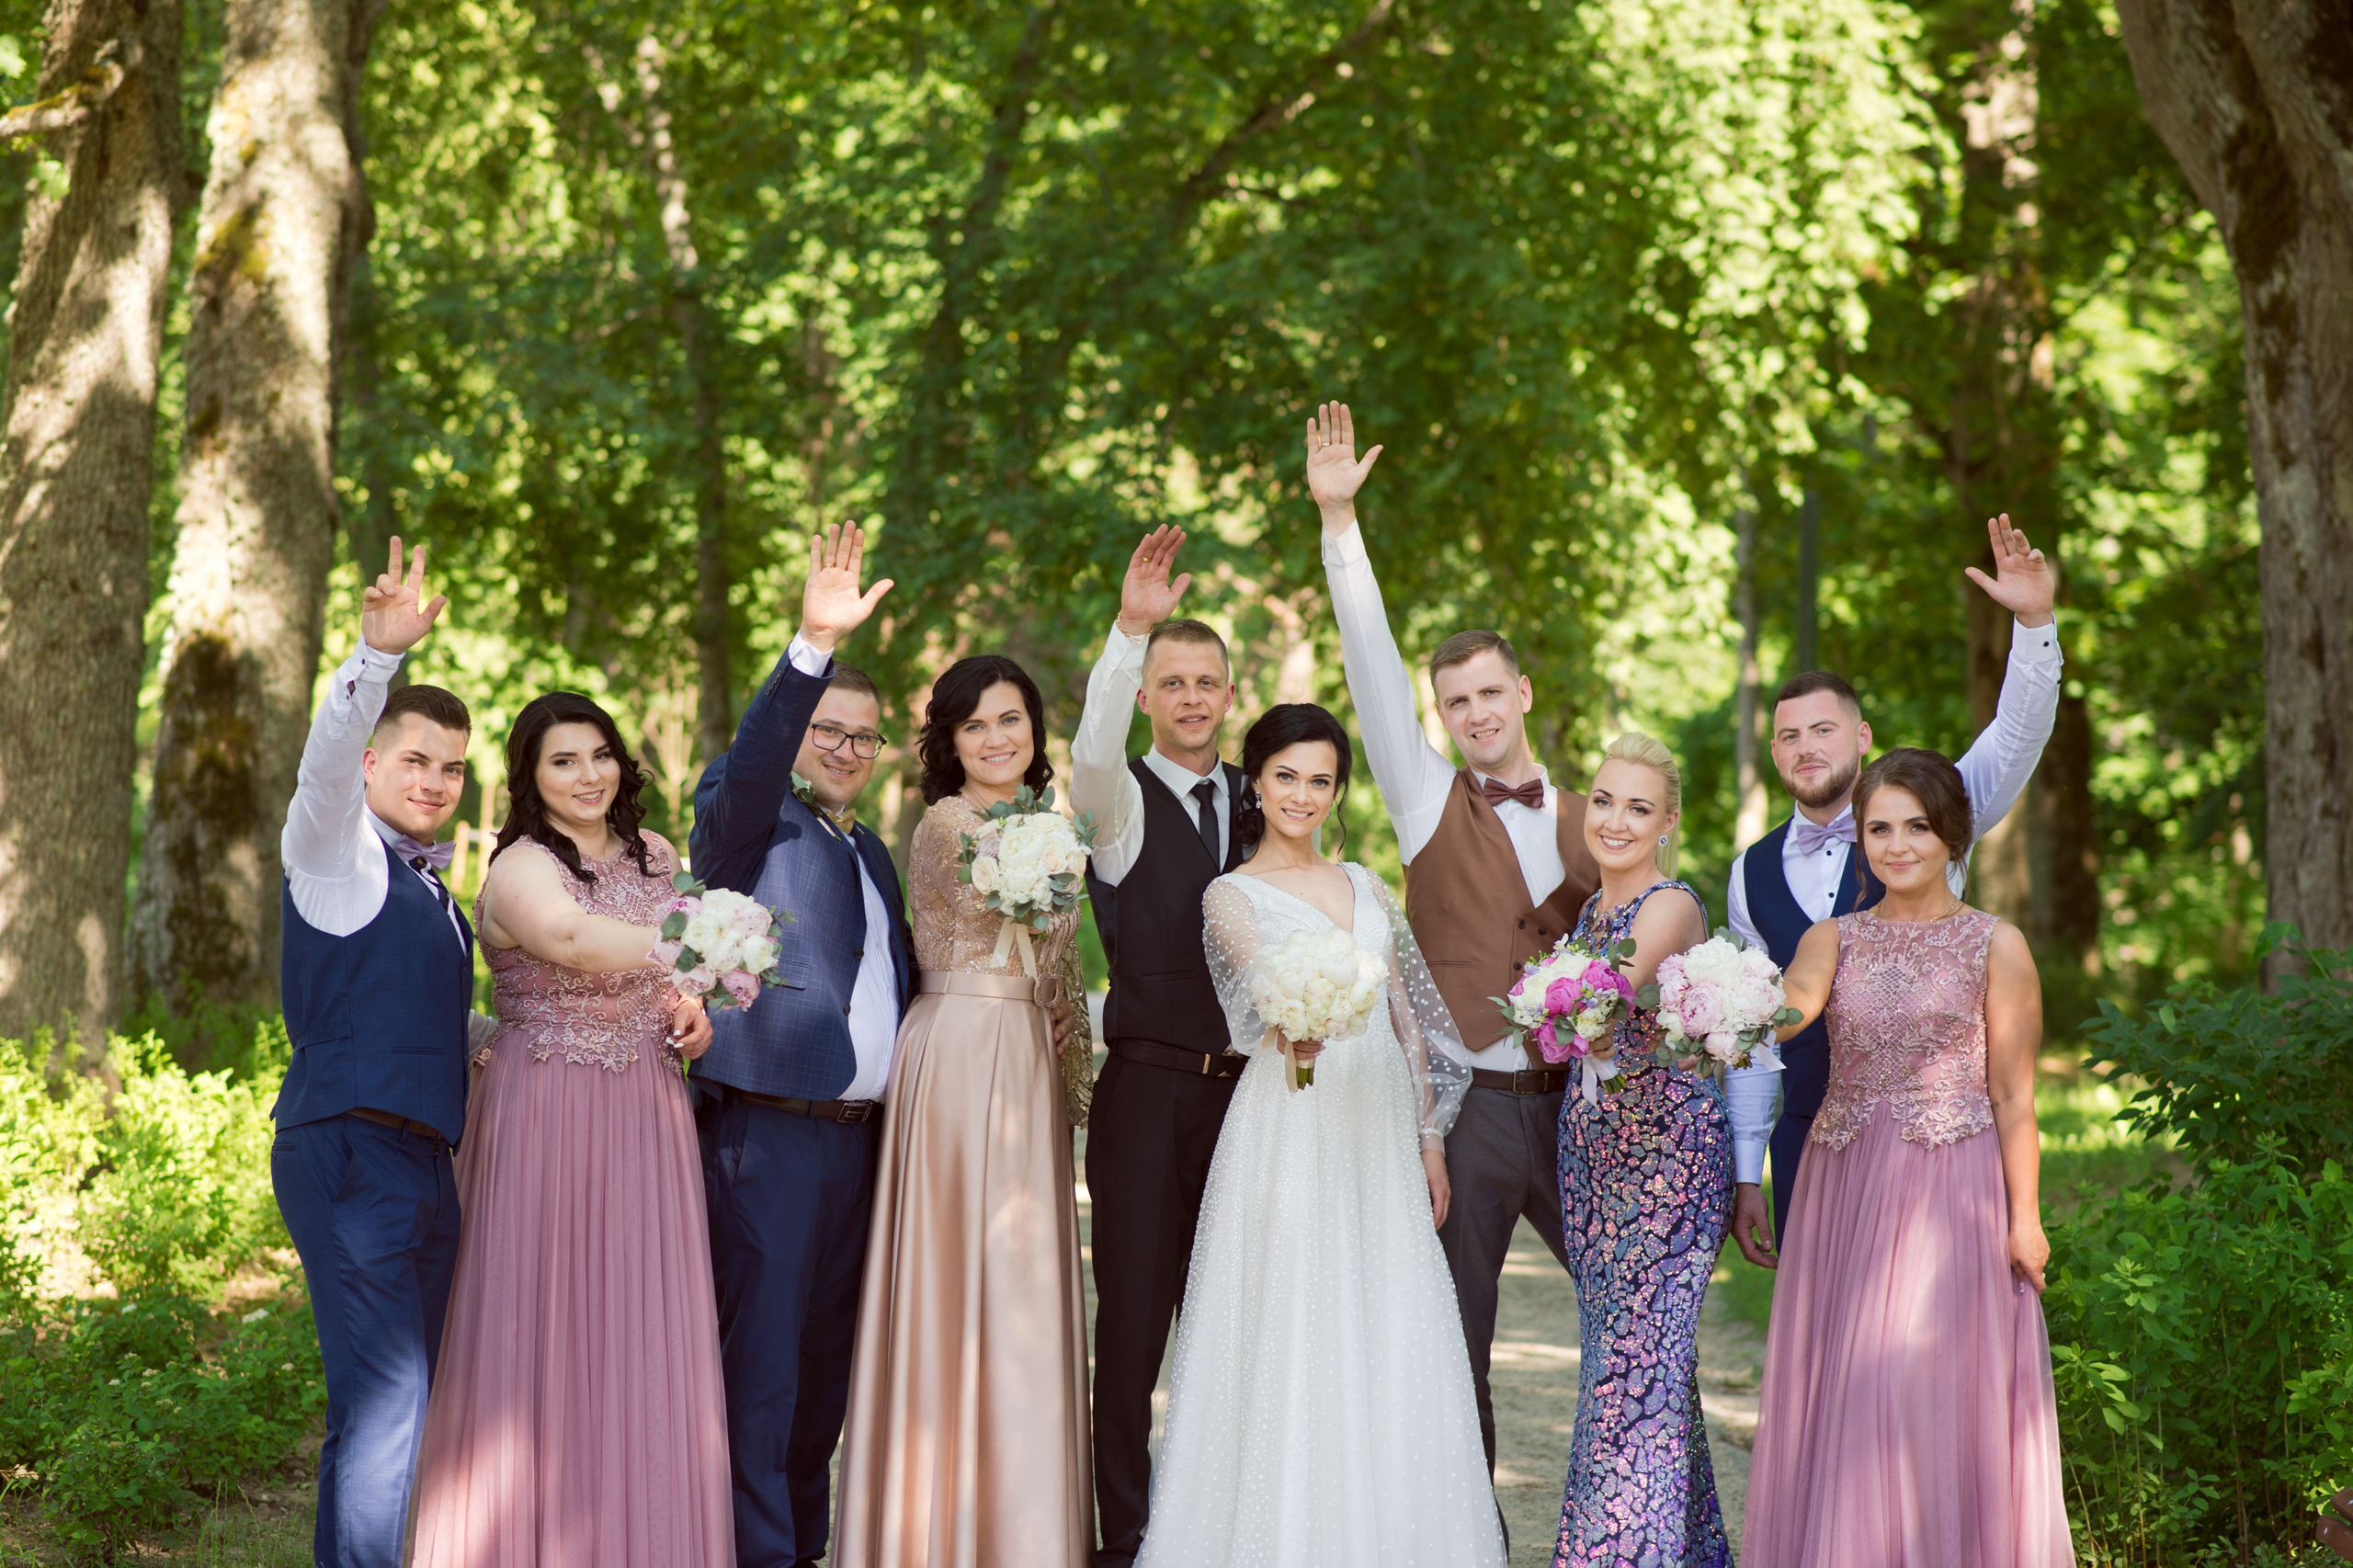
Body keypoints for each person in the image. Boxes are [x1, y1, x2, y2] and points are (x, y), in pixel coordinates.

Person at [1307, 402, 1602, 1490]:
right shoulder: (1428, 795)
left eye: (1490, 693)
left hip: (1575, 1110)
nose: (1475, 713)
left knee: (1629, 1324)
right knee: (1454, 1344)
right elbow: (1371, 664)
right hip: (1467, 1108)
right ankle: (1462, 1532)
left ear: (1523, 693)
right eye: (1455, 701)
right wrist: (1342, 526)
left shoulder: (1593, 815)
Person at [1140, 703, 1503, 1568]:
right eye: (1286, 777)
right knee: (1294, 1315)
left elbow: (1411, 1022)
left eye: (1320, 780)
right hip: (1293, 1118)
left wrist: (1428, 1138)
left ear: (1338, 791)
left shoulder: (1369, 885)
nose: (1303, 795)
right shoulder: (1229, 894)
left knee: (1391, 1312)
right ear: (1255, 784)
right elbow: (1262, 996)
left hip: (1379, 1126)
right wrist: (1289, 1025)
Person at [407, 690, 723, 1566]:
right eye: (563, 761)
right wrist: (701, 937)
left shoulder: (658, 856)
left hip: (648, 1112)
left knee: (640, 1326)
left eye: (600, 754)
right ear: (530, 777)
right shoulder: (516, 863)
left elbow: (666, 981)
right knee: (539, 1324)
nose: (588, 775)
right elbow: (575, 940)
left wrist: (695, 1008)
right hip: (546, 1110)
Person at [1741, 748, 2072, 1568]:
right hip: (1844, 1180)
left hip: (1948, 1184)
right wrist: (1717, 1010)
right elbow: (1790, 1009)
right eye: (1879, 828)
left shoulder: (1997, 944)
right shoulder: (1832, 938)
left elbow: (2014, 1097)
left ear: (1953, 835)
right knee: (1851, 1385)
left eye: (1917, 827)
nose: (1896, 846)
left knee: (1925, 1387)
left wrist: (2023, 1221)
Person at [1722, 516, 2060, 1260]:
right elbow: (1756, 1037)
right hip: (1811, 1138)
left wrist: (2034, 622)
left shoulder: (1933, 806)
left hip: (1938, 1150)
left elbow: (2018, 732)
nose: (1806, 747)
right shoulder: (1748, 873)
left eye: (1822, 729)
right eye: (1788, 736)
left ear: (1862, 735)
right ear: (1775, 752)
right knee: (1828, 1339)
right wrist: (1748, 1171)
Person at [835, 654, 1094, 1568]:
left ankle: (1023, 1529)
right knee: (952, 1274)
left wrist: (1070, 1068)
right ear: (948, 741)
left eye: (1011, 718)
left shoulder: (1048, 826)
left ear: (1034, 727)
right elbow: (1002, 897)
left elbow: (1058, 974)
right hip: (954, 1046)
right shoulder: (946, 824)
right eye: (975, 724)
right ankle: (930, 1529)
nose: (996, 737)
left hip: (1024, 1053)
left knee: (1021, 1282)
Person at [687, 525, 914, 1568]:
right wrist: (810, 647)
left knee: (826, 1365)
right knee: (764, 1367)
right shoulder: (746, 819)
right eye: (831, 728)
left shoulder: (872, 851)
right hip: (766, 1136)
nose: (848, 748)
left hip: (861, 1144)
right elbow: (759, 750)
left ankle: (803, 1547)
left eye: (866, 737)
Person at [269, 539, 482, 1568]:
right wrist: (375, 658)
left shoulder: (439, 896)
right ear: (370, 765)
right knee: (387, 1400)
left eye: (452, 766)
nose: (436, 780)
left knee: (405, 1400)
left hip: (425, 1164)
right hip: (349, 1149)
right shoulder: (329, 851)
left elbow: (442, 1027)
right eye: (414, 760)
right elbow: (321, 760)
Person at [1067, 526, 1247, 1568]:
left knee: (1230, 1319)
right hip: (1145, 1096)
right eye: (1169, 680)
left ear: (1228, 693)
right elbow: (1089, 747)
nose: (1188, 697)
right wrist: (1126, 631)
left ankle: (1212, 1523)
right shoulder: (1118, 802)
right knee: (1132, 1327)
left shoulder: (1265, 802)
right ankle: (1125, 1537)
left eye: (1205, 681)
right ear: (1147, 694)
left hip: (1249, 1101)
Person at [1550, 733, 1730, 1567]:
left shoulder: (1668, 906)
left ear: (1668, 823)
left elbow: (1598, 1003)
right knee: (1639, 1374)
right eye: (1603, 800)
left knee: (1632, 1374)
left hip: (1667, 1166)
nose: (1615, 820)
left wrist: (1537, 1000)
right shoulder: (1586, 911)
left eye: (1638, 807)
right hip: (1594, 1157)